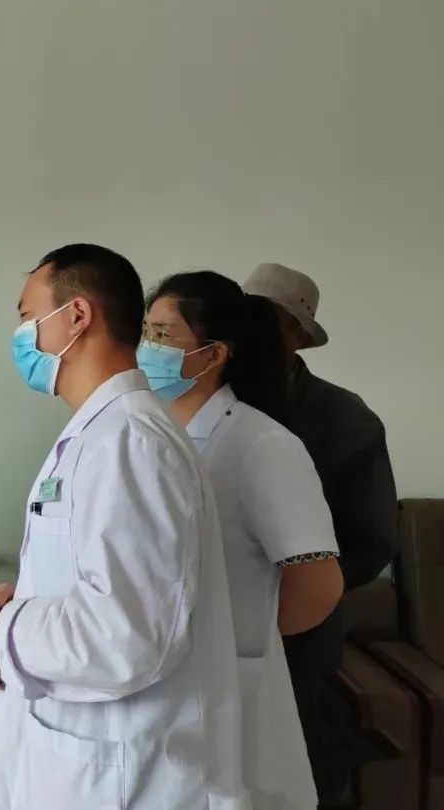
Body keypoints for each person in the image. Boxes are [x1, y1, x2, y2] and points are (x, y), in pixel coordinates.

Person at [0, 245, 248, 810]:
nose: (20, 336)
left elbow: (128, 633)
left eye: (27, 316)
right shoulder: (101, 433)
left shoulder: (130, 440)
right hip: (84, 762)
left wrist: (3, 634)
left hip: (121, 776)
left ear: (77, 315)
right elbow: (114, 581)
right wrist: (28, 595)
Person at [139, 270, 345, 809]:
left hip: (232, 679)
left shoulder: (262, 443)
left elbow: (317, 583)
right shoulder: (151, 431)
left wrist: (241, 638)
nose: (147, 348)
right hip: (160, 679)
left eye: (163, 335)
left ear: (214, 354)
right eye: (146, 332)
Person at [244, 262, 399, 800]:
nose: (251, 333)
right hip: (214, 630)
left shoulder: (346, 420)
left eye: (268, 321)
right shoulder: (206, 399)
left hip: (301, 641)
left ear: (299, 336)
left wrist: (295, 596)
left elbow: (372, 540)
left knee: (298, 773)